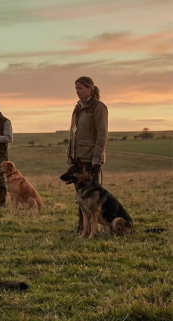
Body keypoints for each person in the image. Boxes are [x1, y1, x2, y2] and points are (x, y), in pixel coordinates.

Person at [66, 76, 108, 232]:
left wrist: (97, 157)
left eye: (80, 88)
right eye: (76, 89)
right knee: (81, 196)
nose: (77, 91)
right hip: (78, 159)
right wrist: (70, 154)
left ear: (90, 89)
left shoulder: (98, 107)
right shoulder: (78, 107)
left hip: (90, 159)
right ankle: (82, 227)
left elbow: (102, 134)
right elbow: (73, 133)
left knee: (92, 197)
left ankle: (92, 228)